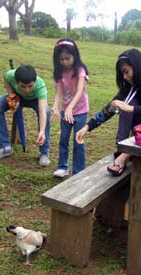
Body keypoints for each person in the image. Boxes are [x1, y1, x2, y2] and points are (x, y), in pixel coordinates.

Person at [76, 48, 141, 176]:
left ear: (137, 66)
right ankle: (125, 148)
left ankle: (125, 153)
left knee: (130, 105)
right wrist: (87, 127)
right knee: (124, 103)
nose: (125, 77)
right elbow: (111, 107)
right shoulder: (130, 86)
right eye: (123, 74)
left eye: (126, 72)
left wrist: (131, 109)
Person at [0, 64, 51, 166]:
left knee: (47, 112)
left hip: (34, 100)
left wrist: (42, 131)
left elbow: (42, 111)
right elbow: (6, 78)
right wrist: (11, 95)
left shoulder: (40, 86)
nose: (27, 90)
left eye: (30, 86)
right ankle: (5, 147)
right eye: (23, 86)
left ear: (35, 82)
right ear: (17, 81)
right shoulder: (11, 75)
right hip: (17, 97)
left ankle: (44, 153)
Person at [51, 38, 89, 177]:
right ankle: (62, 167)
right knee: (64, 139)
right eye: (61, 59)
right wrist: (55, 106)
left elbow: (80, 91)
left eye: (67, 58)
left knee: (78, 140)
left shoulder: (80, 70)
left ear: (75, 55)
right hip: (65, 112)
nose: (64, 62)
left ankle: (78, 172)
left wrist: (69, 108)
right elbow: (59, 91)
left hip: (80, 111)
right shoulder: (60, 72)